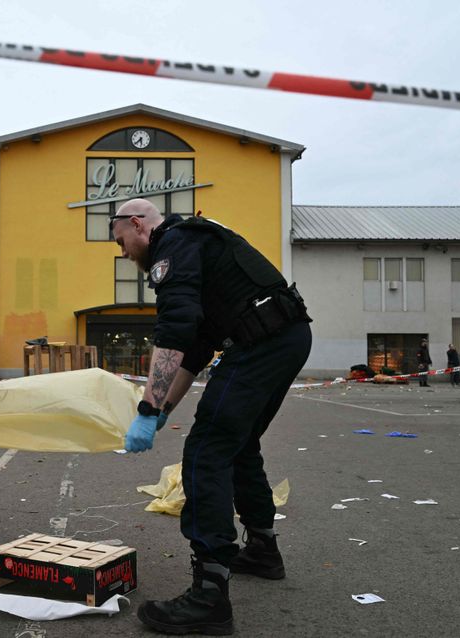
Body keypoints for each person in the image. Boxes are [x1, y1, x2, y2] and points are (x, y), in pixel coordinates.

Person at [110, 199, 313, 635]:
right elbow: (197, 348)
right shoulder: (193, 243)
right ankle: (261, 548)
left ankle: (209, 595)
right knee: (238, 446)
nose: (123, 252)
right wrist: (163, 410)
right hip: (285, 335)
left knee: (206, 451)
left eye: (120, 240)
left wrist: (146, 408)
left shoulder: (174, 247)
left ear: (136, 223)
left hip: (262, 341)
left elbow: (175, 330)